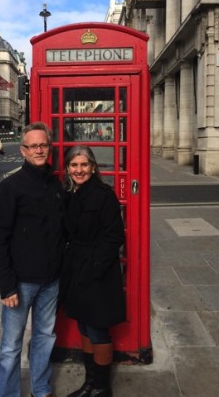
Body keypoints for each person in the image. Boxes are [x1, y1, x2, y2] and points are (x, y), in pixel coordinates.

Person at [0, 122, 66, 397]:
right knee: (11, 345)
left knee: (45, 337)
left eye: (43, 145)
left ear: (49, 148)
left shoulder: (55, 183)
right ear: (23, 151)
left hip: (51, 280)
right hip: (20, 282)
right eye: (33, 146)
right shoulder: (10, 188)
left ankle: (40, 389)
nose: (39, 150)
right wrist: (6, 285)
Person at [61, 145, 126, 397]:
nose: (79, 170)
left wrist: (95, 266)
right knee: (85, 327)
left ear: (93, 167)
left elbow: (114, 236)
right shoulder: (70, 194)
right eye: (74, 165)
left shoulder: (104, 195)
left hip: (98, 274)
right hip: (76, 271)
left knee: (98, 330)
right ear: (67, 168)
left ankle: (101, 387)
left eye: (84, 165)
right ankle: (90, 383)